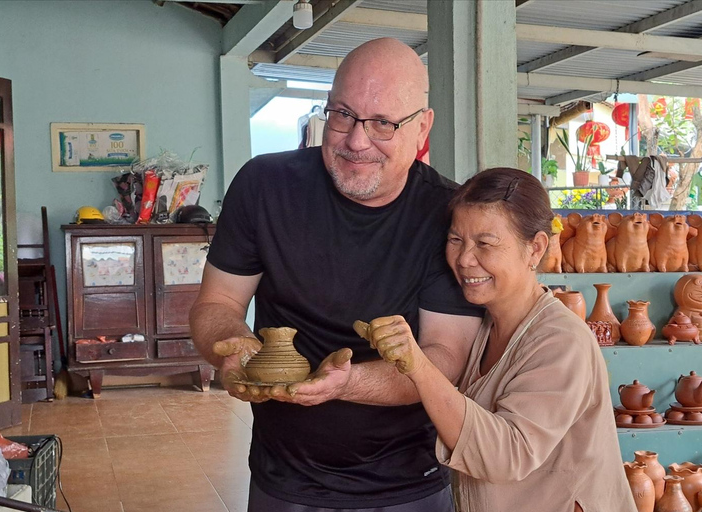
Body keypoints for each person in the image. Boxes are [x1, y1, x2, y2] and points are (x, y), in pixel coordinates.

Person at [189, 37, 484, 511]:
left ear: (421, 127)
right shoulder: (264, 186)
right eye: (342, 114)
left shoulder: (449, 216)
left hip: (407, 481)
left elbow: (444, 358)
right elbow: (217, 303)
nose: (356, 140)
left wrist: (345, 385)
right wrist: (233, 347)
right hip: (283, 475)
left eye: (383, 123)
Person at [366, 168, 636, 512]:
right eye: (455, 240)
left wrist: (419, 366)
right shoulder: (485, 325)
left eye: (485, 244)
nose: (464, 259)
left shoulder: (562, 342)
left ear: (535, 248)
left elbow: (506, 456)